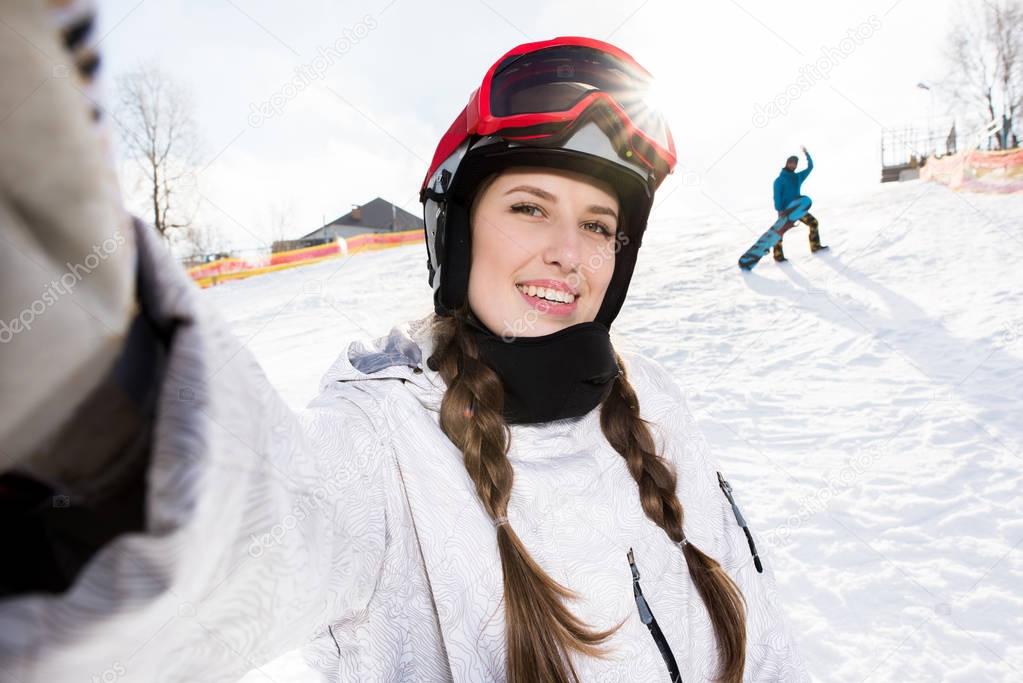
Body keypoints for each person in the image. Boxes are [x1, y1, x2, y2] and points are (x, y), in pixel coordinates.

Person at [0, 4, 809, 681]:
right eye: (528, 206)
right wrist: (82, 372)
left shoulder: (654, 404)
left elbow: (760, 635)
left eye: (599, 224)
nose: (569, 249)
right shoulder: (380, 450)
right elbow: (226, 543)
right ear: (452, 235)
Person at [772, 146, 827, 262]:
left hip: (798, 209)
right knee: (779, 232)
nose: (793, 165)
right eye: (791, 163)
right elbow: (777, 197)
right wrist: (780, 211)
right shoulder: (779, 180)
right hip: (785, 211)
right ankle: (778, 255)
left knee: (813, 223)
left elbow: (810, 167)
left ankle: (815, 246)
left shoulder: (797, 177)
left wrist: (807, 154)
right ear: (787, 163)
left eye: (795, 164)